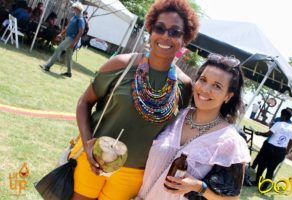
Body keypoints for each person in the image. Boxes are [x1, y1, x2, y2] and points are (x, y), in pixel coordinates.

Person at [67, 0, 199, 199]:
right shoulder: (121, 65)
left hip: (134, 173)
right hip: (93, 157)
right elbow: (84, 102)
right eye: (160, 28)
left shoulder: (184, 85)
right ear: (150, 30)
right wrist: (86, 143)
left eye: (175, 32)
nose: (165, 36)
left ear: (185, 39)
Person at [137, 53, 251, 199]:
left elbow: (232, 198)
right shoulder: (175, 116)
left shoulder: (230, 142)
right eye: (203, 80)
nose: (205, 89)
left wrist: (199, 187)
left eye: (217, 86)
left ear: (228, 96)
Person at [252, 108, 292, 187]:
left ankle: (257, 182)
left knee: (261, 166)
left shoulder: (278, 124)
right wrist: (287, 151)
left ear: (283, 116)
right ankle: (265, 187)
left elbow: (268, 134)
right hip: (280, 151)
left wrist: (259, 133)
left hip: (269, 148)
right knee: (271, 170)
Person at [39, 2, 85, 78]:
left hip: (72, 38)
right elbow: (67, 27)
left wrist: (74, 42)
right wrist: (61, 34)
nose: (73, 9)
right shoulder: (74, 17)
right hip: (68, 37)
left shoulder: (80, 19)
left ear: (77, 9)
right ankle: (69, 72)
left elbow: (80, 32)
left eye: (74, 8)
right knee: (69, 56)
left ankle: (47, 66)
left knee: (59, 49)